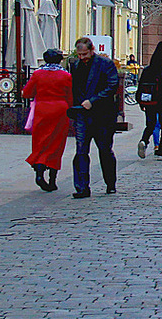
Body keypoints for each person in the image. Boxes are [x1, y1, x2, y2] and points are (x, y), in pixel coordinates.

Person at [68, 36, 120, 198]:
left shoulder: (105, 64)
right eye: (79, 55)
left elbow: (112, 86)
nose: (82, 57)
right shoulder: (75, 65)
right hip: (82, 115)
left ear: (92, 50)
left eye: (84, 54)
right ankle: (82, 187)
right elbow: (74, 88)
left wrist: (93, 101)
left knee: (104, 150)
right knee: (81, 151)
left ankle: (110, 183)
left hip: (103, 115)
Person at [21, 48, 72, 191]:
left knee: (40, 141)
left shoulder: (38, 74)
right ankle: (52, 179)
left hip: (42, 109)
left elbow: (27, 93)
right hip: (60, 110)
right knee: (56, 143)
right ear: (60, 60)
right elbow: (70, 96)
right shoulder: (66, 75)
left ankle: (39, 170)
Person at [136, 42, 162, 159]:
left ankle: (144, 140)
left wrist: (140, 102)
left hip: (150, 101)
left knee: (150, 124)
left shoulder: (147, 70)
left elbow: (141, 86)